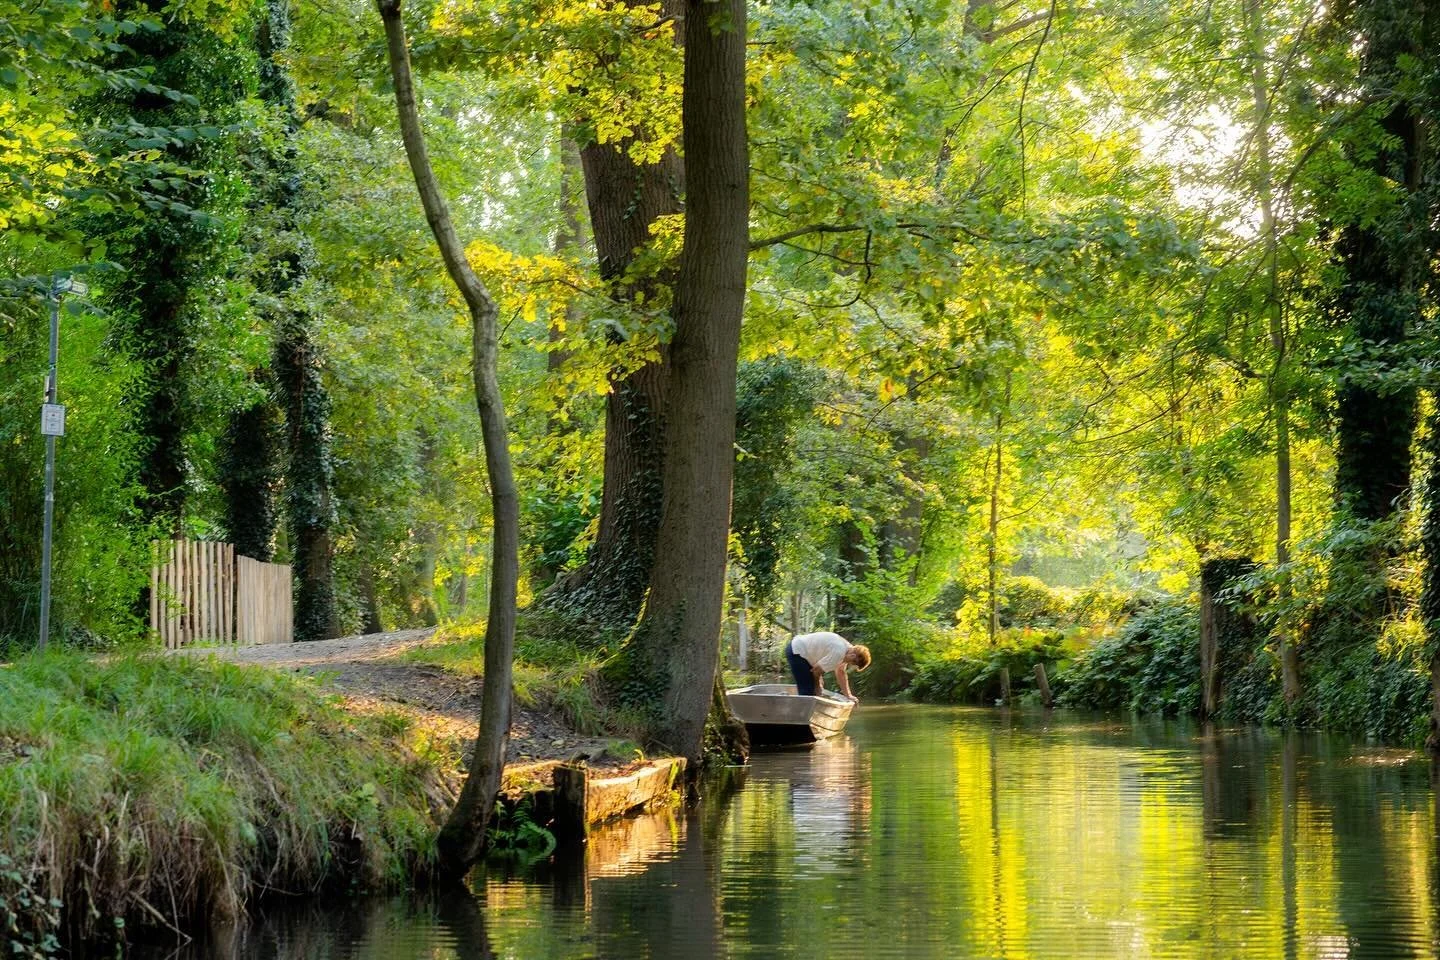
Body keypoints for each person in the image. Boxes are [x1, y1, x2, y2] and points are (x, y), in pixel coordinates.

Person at [784, 631, 871, 702]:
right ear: (853, 656)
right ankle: (802, 718)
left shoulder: (847, 649)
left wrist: (848, 695)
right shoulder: (839, 652)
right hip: (797, 651)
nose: (851, 664)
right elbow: (816, 671)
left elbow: (840, 672)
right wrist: (818, 687)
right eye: (853, 663)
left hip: (804, 653)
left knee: (814, 688)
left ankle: (807, 714)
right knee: (808, 690)